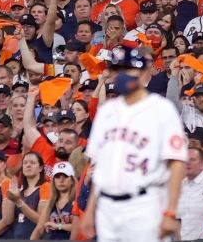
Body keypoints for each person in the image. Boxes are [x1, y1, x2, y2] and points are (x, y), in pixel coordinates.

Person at [76, 46, 187, 242]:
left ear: (144, 72)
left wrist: (170, 212)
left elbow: (177, 163)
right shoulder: (107, 112)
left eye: (129, 69)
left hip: (144, 205)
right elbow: (100, 167)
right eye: (119, 70)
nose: (122, 75)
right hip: (107, 209)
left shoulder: (161, 109)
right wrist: (91, 210)